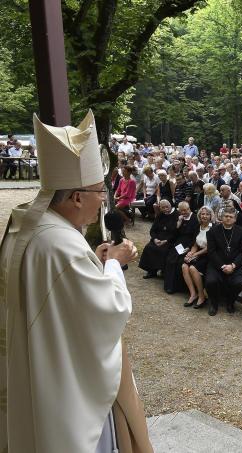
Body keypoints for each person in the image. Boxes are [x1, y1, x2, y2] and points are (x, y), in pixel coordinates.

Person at [0, 110, 151, 452]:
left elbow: (54, 290)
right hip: (62, 380)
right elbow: (109, 309)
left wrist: (93, 264)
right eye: (99, 193)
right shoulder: (62, 244)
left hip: (32, 359)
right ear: (77, 196)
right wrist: (114, 264)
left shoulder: (26, 224)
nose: (102, 201)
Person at [204, 207, 242, 315]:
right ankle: (214, 303)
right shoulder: (213, 231)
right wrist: (222, 266)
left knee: (238, 283)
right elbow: (211, 252)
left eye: (231, 217)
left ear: (235, 219)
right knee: (210, 281)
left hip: (235, 265)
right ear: (222, 217)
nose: (228, 219)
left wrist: (233, 266)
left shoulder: (241, 231)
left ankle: (230, 302)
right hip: (217, 265)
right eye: (226, 216)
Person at [181, 206, 214, 308]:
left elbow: (209, 248)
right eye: (202, 214)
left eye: (207, 214)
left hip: (209, 255)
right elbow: (195, 244)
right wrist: (190, 253)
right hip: (199, 252)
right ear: (199, 215)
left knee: (192, 268)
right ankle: (193, 294)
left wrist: (194, 255)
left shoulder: (213, 228)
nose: (204, 216)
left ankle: (201, 296)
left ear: (210, 216)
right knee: (184, 266)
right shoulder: (198, 226)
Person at [139, 199, 179, 279]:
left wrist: (166, 241)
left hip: (170, 239)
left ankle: (163, 270)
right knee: (149, 247)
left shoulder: (176, 215)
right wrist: (154, 239)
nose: (165, 209)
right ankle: (151, 271)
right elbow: (153, 229)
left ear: (170, 205)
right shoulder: (160, 215)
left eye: (167, 207)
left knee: (163, 250)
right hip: (158, 238)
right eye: (163, 207)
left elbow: (176, 232)